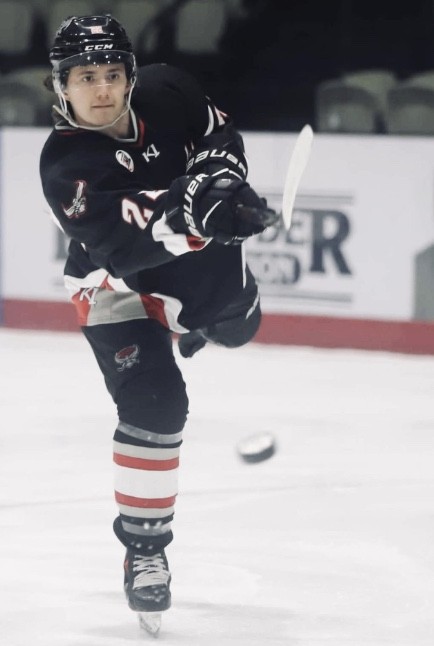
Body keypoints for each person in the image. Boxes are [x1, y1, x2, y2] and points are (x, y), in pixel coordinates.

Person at [39, 14, 278, 626]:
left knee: (241, 326)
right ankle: (145, 551)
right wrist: (198, 209)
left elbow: (221, 140)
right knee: (156, 405)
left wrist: (221, 181)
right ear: (61, 86)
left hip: (192, 263)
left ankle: (203, 320)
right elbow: (129, 245)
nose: (101, 90)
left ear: (131, 76)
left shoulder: (171, 89)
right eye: (85, 77)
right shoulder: (65, 166)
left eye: (111, 74)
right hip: (113, 283)